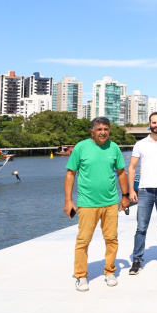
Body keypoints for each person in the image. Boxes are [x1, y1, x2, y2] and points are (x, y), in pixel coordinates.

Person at [63, 117, 130, 292]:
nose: (103, 132)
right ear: (92, 131)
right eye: (99, 129)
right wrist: (68, 201)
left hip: (110, 202)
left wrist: (125, 196)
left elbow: (121, 172)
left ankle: (110, 272)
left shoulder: (114, 148)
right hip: (87, 203)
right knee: (83, 240)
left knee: (111, 239)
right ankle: (81, 276)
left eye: (106, 129)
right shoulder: (81, 147)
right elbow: (70, 174)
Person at [127, 112, 157, 275]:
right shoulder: (140, 144)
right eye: (153, 122)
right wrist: (131, 190)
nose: (156, 125)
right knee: (141, 228)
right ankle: (137, 260)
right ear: (149, 124)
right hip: (145, 191)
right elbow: (132, 168)